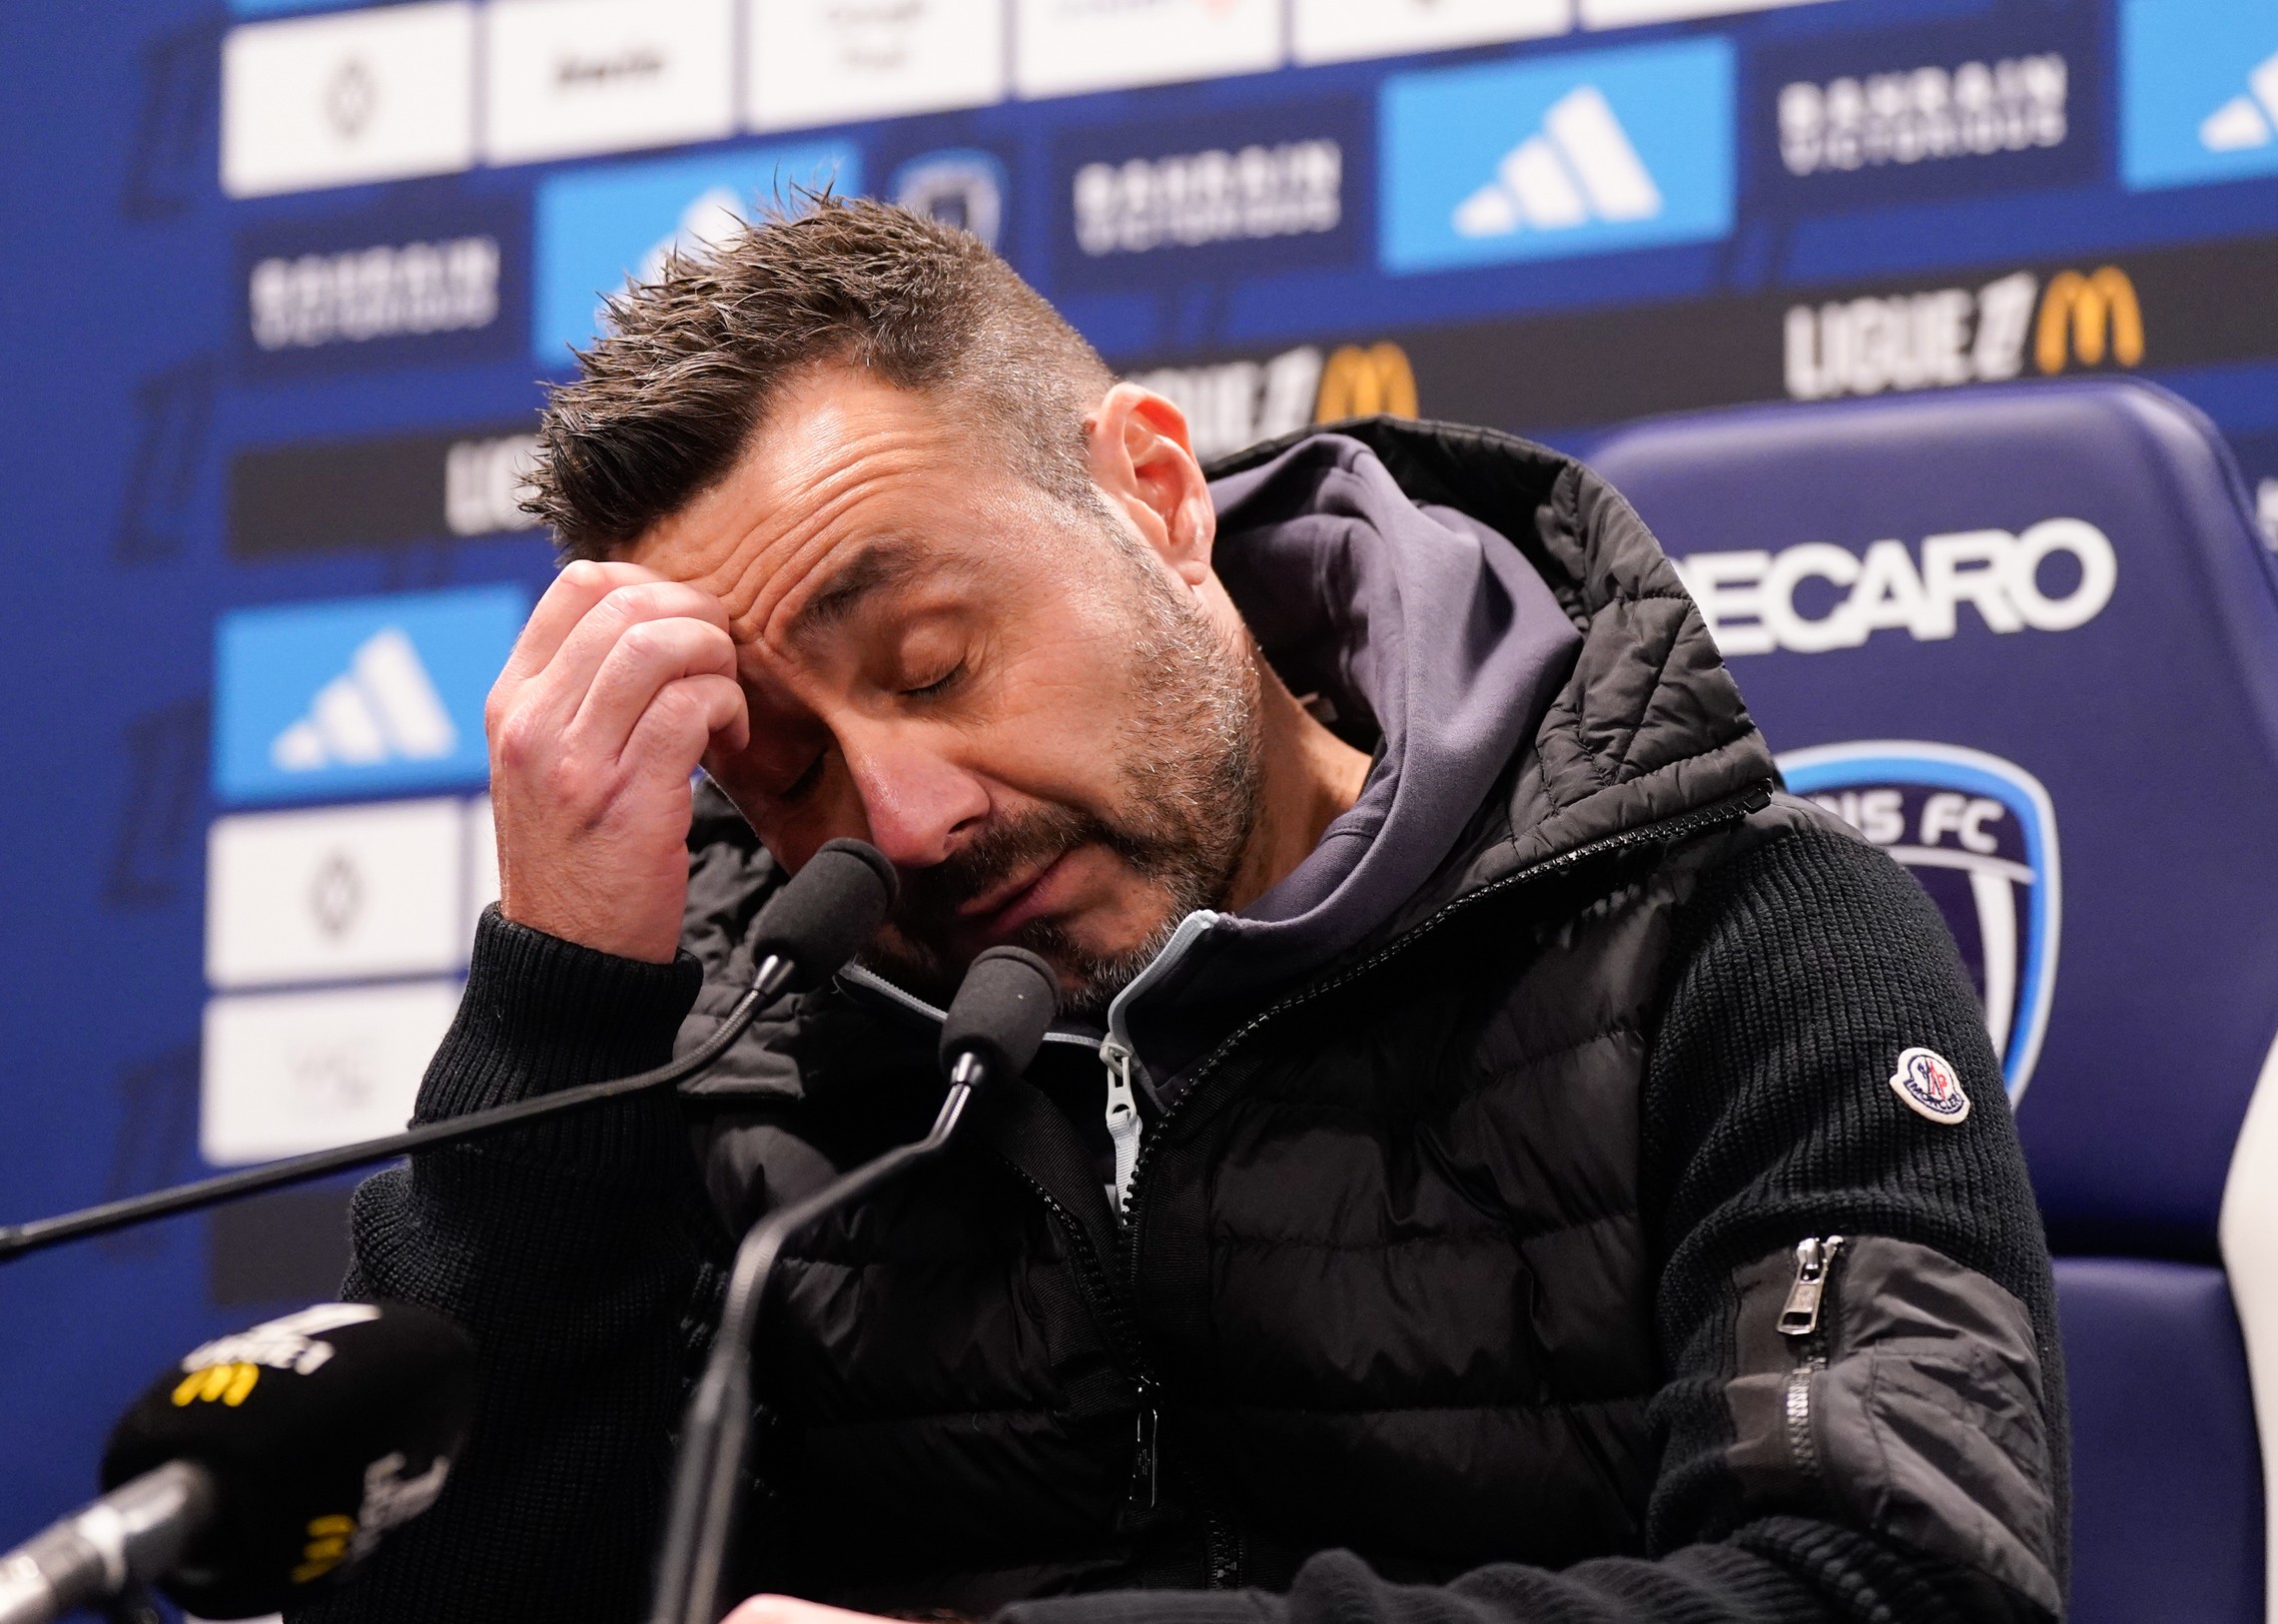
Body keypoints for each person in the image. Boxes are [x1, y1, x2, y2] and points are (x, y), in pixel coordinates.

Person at [296, 197, 2064, 1624]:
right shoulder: (746, 1055)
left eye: (935, 660)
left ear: (1151, 494)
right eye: (783, 770)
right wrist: (557, 1010)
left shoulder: (1734, 936)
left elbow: (1897, 1580)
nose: (904, 821)